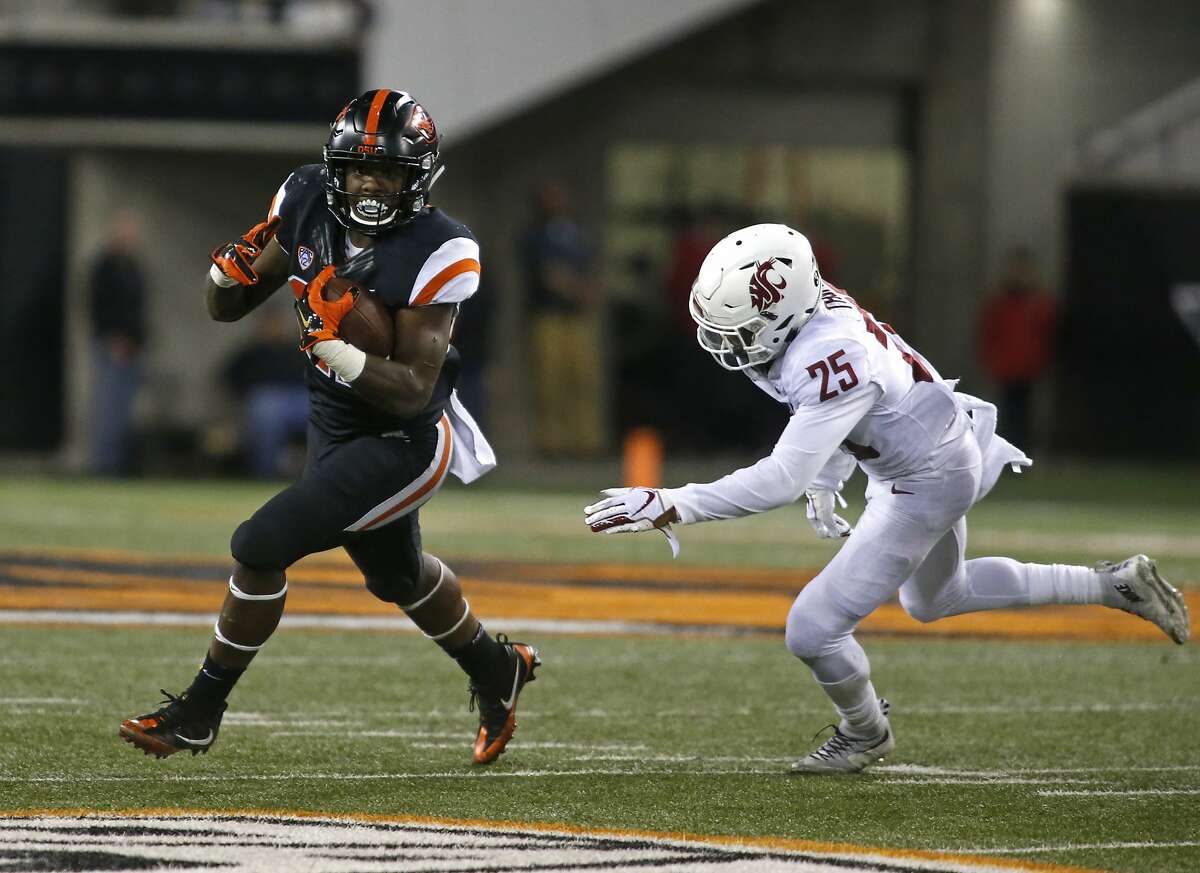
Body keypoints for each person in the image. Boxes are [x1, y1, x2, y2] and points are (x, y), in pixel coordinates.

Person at [584, 224, 1189, 774]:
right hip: (934, 445)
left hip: (926, 474)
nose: (727, 345)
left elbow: (780, 477)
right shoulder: (811, 314)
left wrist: (673, 502)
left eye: (739, 331)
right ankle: (1113, 585)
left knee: (812, 629)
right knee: (935, 599)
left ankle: (864, 732)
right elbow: (853, 411)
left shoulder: (827, 351)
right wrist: (829, 477)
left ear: (782, 313)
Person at [119, 89, 539, 766]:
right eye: (358, 170)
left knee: (260, 543)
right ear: (334, 169)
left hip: (405, 440)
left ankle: (200, 710)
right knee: (397, 575)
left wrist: (336, 348)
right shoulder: (307, 198)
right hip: (333, 422)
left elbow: (410, 390)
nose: (370, 185)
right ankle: (497, 669)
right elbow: (228, 306)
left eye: (388, 173)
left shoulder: (443, 248)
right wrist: (222, 276)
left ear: (419, 178)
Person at [521, 181, 603, 457]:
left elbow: (592, 266)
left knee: (583, 379)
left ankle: (585, 440)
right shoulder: (534, 236)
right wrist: (578, 290)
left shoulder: (579, 233)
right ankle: (552, 442)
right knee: (550, 382)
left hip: (578, 318)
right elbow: (547, 274)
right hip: (549, 316)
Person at [978, 245, 1057, 451]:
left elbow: (1047, 333)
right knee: (1007, 413)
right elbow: (989, 334)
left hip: (1029, 368)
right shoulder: (999, 303)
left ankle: (1024, 453)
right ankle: (1006, 455)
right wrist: (991, 361)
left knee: (1025, 415)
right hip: (1005, 368)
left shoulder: (1038, 303)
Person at [88, 209, 148, 476]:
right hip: (112, 346)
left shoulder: (134, 266)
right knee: (108, 406)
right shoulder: (104, 267)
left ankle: (118, 464)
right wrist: (113, 338)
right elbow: (98, 306)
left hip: (134, 346)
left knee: (124, 408)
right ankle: (104, 464)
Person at [219, 305, 309, 478]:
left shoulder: (297, 350)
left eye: (276, 323)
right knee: (265, 408)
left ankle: (319, 473)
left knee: (323, 411)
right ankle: (267, 474)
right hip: (266, 400)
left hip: (299, 398)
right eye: (269, 323)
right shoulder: (250, 353)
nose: (273, 327)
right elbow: (228, 380)